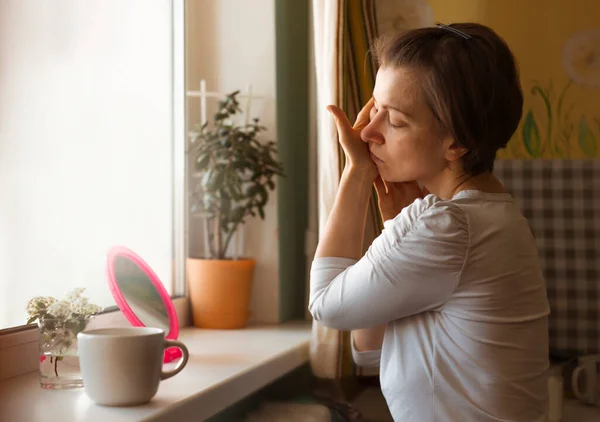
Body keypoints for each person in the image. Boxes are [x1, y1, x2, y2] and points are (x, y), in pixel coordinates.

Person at [309, 23, 550, 422]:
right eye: (375, 109)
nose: (367, 131)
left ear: (456, 143)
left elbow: (326, 306)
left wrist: (356, 174)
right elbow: (368, 348)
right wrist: (394, 230)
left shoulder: (449, 225)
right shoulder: (491, 216)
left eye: (396, 121)